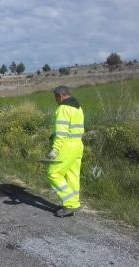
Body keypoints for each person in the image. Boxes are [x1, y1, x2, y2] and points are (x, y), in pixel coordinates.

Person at [47, 86, 85, 217]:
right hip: (78, 145)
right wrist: (55, 134)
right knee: (72, 176)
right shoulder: (77, 107)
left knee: (53, 173)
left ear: (60, 96)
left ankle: (70, 203)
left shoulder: (63, 108)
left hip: (66, 146)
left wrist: (55, 149)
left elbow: (62, 132)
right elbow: (72, 128)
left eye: (56, 98)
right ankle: (73, 204)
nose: (56, 100)